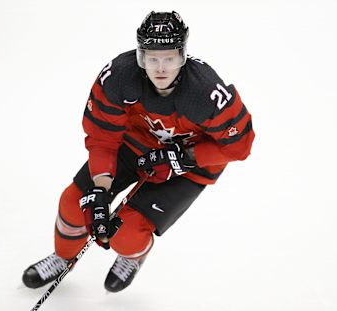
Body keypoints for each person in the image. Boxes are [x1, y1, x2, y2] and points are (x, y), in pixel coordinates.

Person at [22, 10, 255, 293]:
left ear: (183, 55)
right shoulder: (119, 77)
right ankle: (63, 257)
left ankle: (134, 256)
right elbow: (103, 137)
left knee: (126, 234)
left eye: (169, 58)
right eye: (151, 58)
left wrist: (187, 157)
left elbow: (240, 145)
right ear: (139, 55)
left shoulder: (205, 92)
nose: (160, 68)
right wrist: (100, 190)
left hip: (190, 165)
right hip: (133, 146)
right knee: (74, 204)